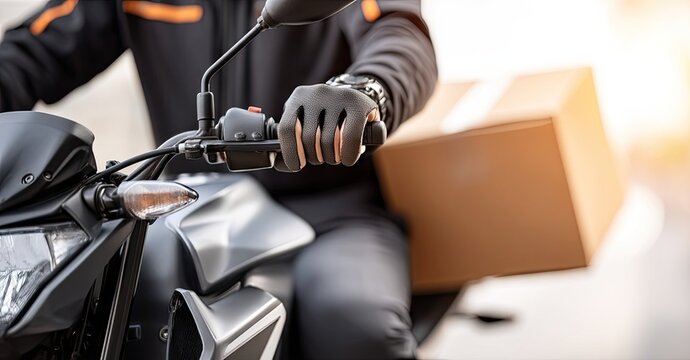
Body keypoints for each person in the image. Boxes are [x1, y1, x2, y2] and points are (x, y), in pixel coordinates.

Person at [0, 0, 437, 359]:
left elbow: (400, 36)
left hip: (330, 208)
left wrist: (363, 89)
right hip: (188, 207)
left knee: (354, 323)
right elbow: (32, 50)